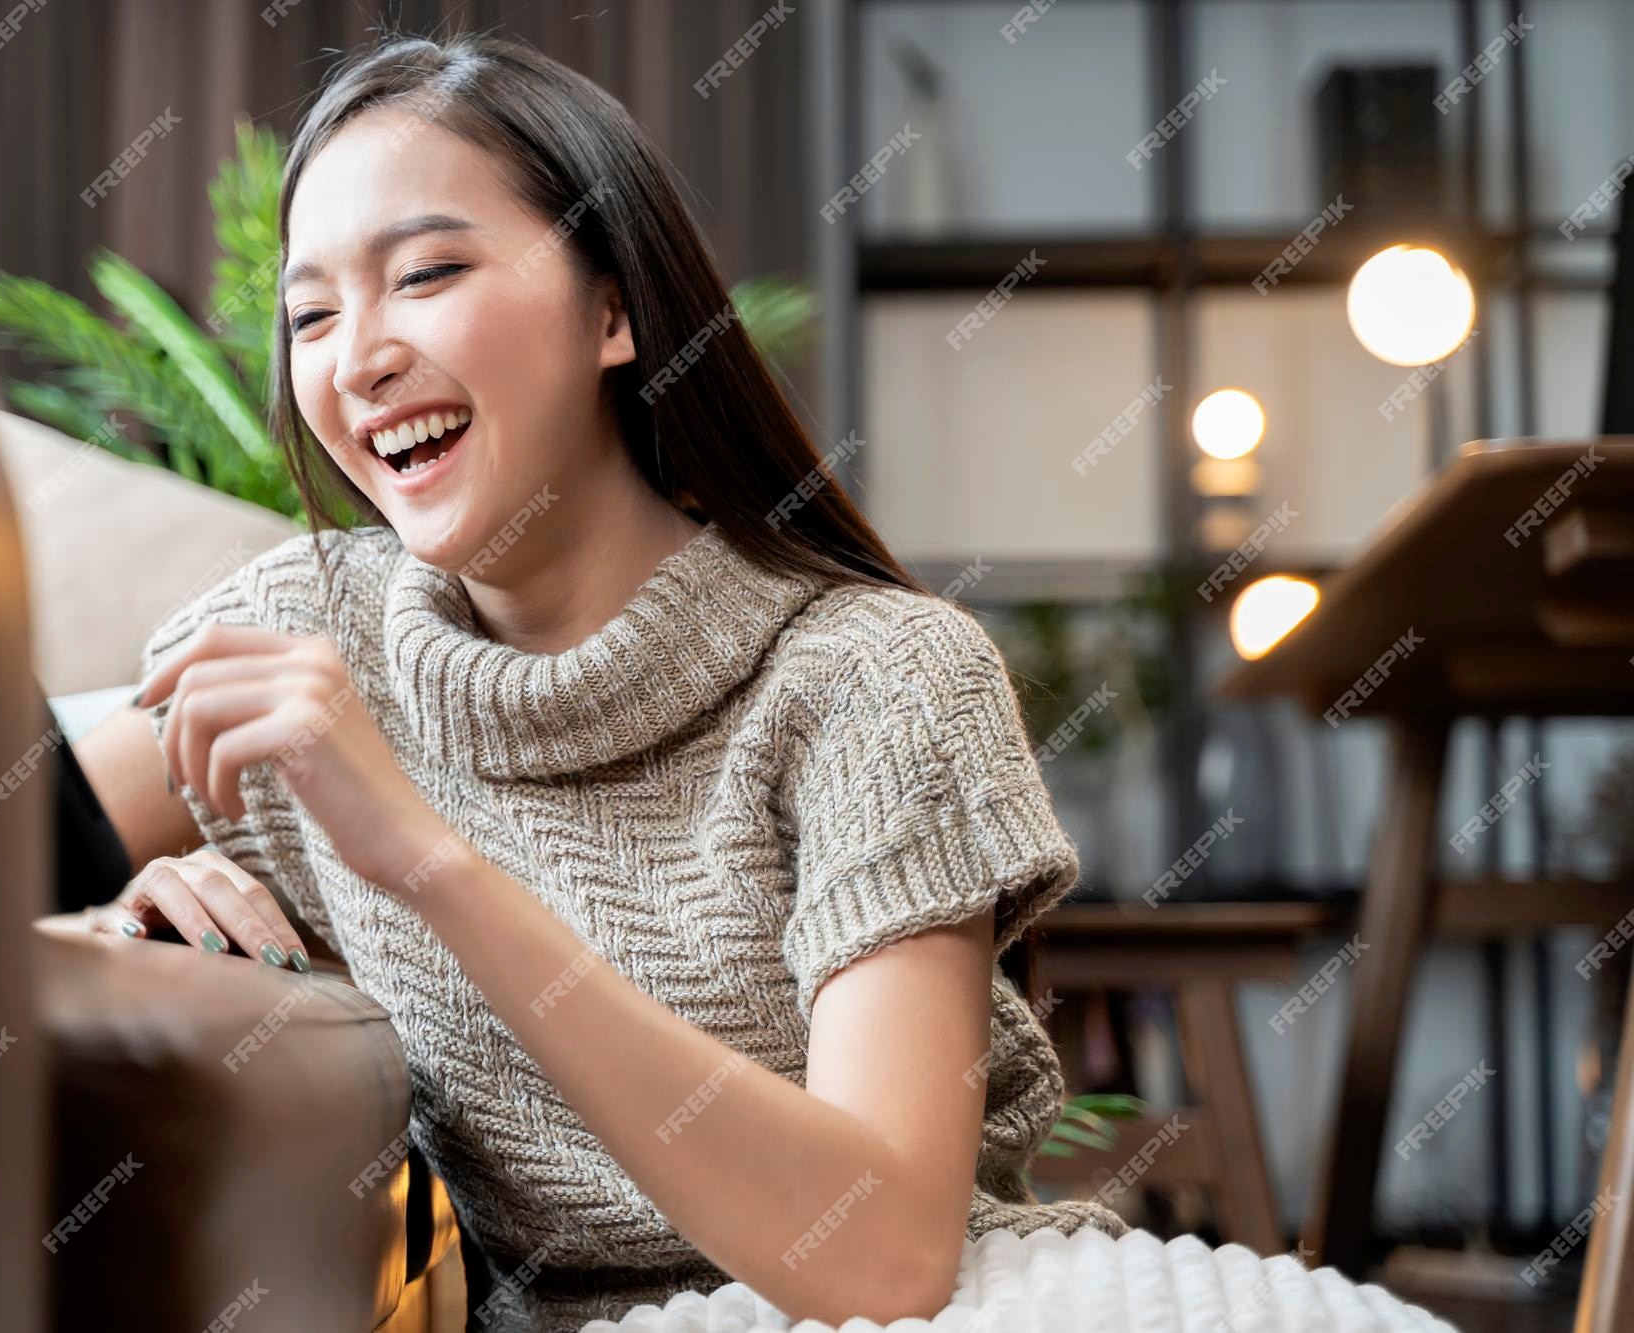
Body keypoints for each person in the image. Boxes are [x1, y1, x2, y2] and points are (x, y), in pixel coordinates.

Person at [68, 27, 1126, 1332]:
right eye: (311, 313)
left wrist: (425, 861)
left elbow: (886, 1259)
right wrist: (119, 916)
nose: (357, 360)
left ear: (615, 306)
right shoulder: (305, 630)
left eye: (427, 273)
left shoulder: (875, 677)